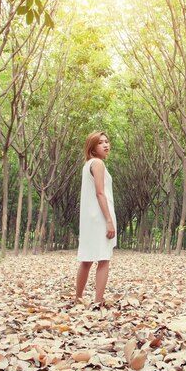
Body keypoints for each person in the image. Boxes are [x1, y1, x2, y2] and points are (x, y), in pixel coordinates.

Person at [76, 131, 117, 307]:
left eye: (107, 141)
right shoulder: (98, 163)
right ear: (92, 147)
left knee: (86, 259)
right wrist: (109, 220)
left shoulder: (88, 165)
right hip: (100, 217)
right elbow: (100, 193)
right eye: (100, 143)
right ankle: (98, 301)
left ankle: (78, 299)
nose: (106, 145)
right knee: (103, 259)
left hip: (88, 219)